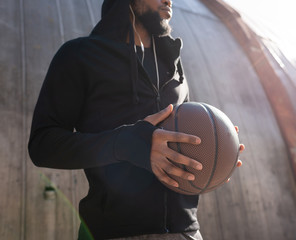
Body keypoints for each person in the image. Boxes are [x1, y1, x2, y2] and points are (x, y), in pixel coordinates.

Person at [28, 0, 245, 239]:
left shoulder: (172, 64)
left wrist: (216, 154)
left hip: (186, 232)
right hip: (113, 232)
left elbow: (180, 141)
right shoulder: (80, 56)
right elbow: (43, 145)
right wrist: (126, 143)